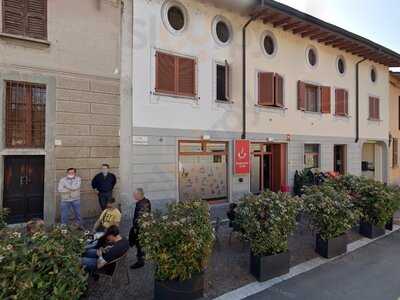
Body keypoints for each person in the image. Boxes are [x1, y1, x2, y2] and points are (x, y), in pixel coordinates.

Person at [129, 188, 151, 269]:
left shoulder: (142, 204)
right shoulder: (145, 201)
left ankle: (140, 262)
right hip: (140, 228)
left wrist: (136, 229)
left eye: (135, 195)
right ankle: (142, 256)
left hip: (140, 229)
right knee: (139, 244)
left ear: (139, 194)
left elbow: (141, 218)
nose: (133, 196)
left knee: (139, 245)